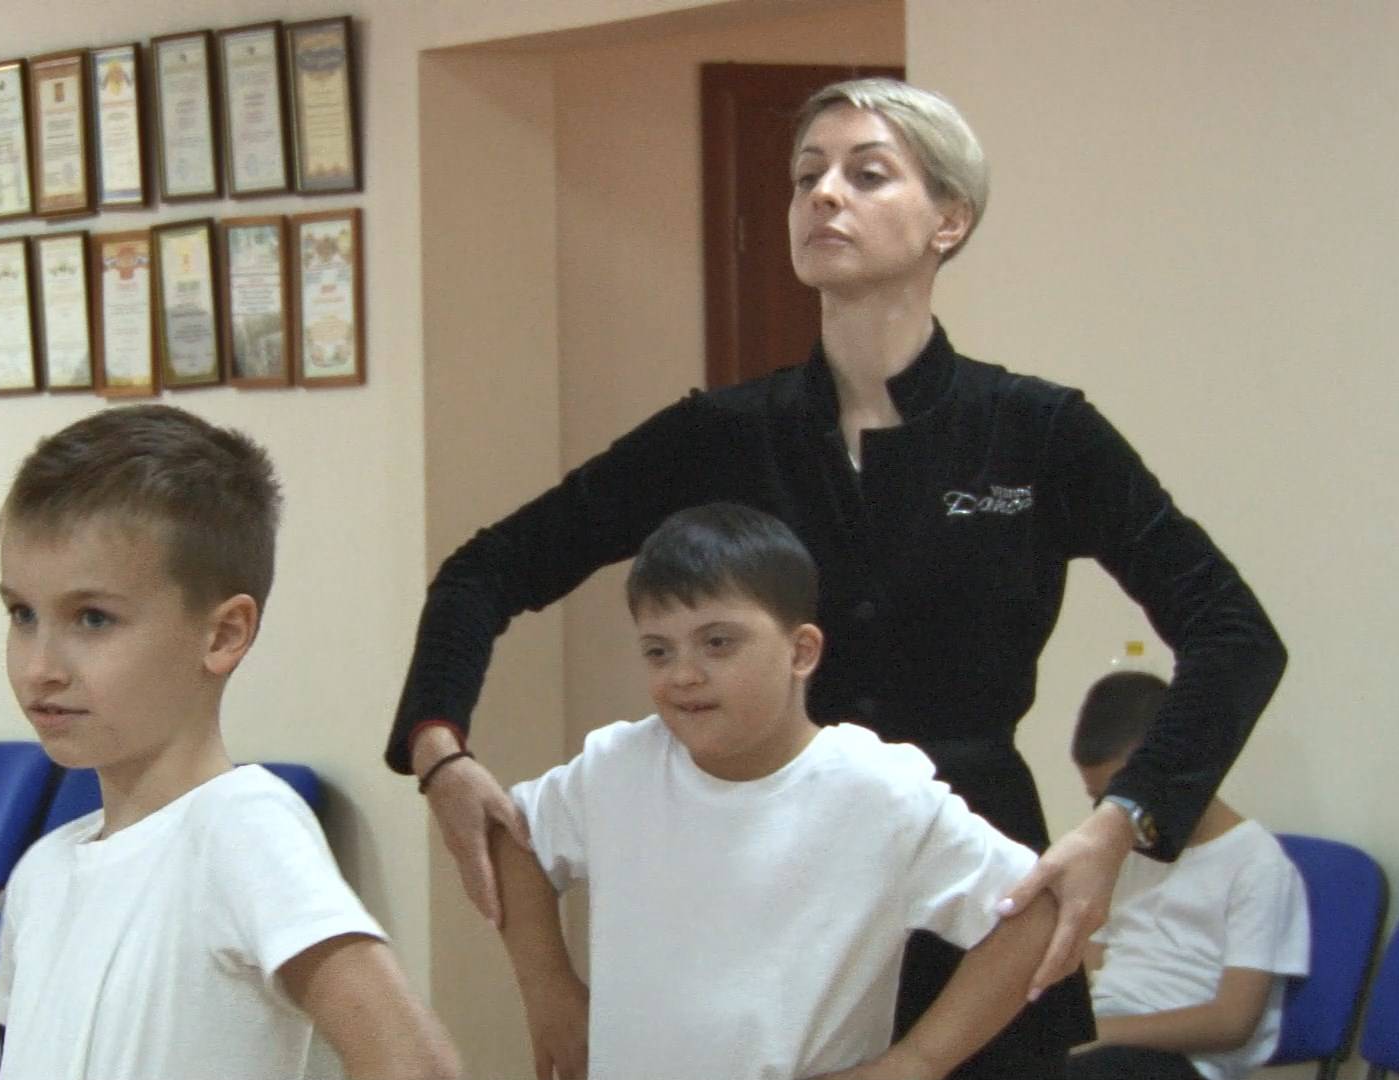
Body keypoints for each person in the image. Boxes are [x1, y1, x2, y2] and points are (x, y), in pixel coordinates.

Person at [388, 76, 1287, 1077]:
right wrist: (439, 748)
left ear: (950, 219)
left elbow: (1235, 634)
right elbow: (484, 569)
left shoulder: (1038, 433)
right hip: (769, 893)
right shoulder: (720, 434)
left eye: (867, 174)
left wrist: (1125, 820)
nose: (823, 194)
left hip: (974, 889)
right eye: (806, 175)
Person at [494, 503, 1057, 1080]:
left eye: (718, 643)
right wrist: (549, 989)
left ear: (801, 651)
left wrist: (917, 1062)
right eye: (658, 651)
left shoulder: (877, 790)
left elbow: (1032, 914)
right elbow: (514, 837)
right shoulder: (616, 767)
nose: (683, 674)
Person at [0, 405, 460, 1080]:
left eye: (92, 618)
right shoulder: (41, 875)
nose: (41, 666)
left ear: (223, 634)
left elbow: (414, 1064)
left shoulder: (240, 829)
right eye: (22, 614)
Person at [1067, 672, 1309, 1080]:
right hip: (1108, 1035)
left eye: (1126, 796)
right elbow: (1091, 964)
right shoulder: (1127, 848)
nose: (1115, 813)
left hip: (1186, 1059)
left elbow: (1232, 1023)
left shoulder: (1258, 864)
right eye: (1101, 801)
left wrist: (1100, 1033)